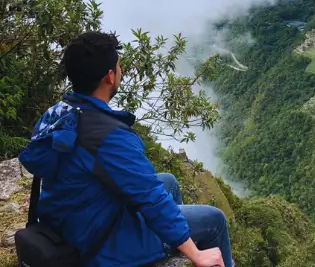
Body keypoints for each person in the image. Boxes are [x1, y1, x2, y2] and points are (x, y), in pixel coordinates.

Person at [19, 31, 233, 267]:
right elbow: (151, 198)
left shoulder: (60, 112)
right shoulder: (110, 136)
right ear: (110, 77)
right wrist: (196, 254)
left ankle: (171, 248)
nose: (121, 71)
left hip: (68, 219)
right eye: (119, 66)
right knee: (214, 219)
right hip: (99, 243)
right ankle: (177, 250)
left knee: (169, 181)